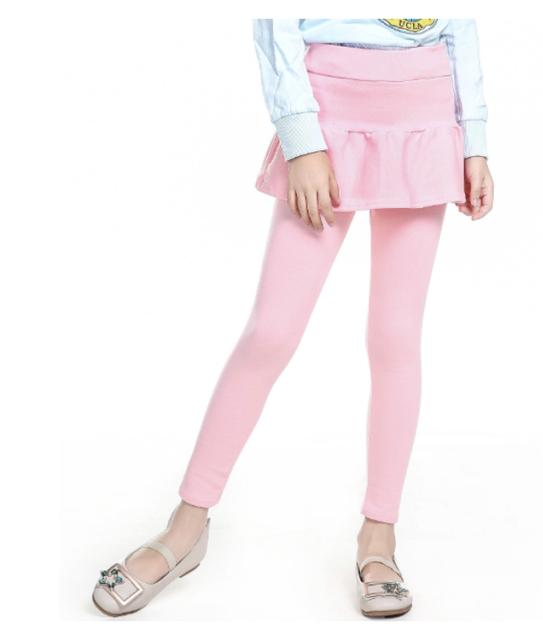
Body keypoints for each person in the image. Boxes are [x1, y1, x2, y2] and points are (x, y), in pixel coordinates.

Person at [91, 18, 494, 619]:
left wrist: (475, 138)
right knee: (271, 333)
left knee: (395, 338)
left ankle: (379, 534)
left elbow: (460, 21)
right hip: (328, 111)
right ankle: (187, 523)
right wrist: (302, 138)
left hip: (424, 114)